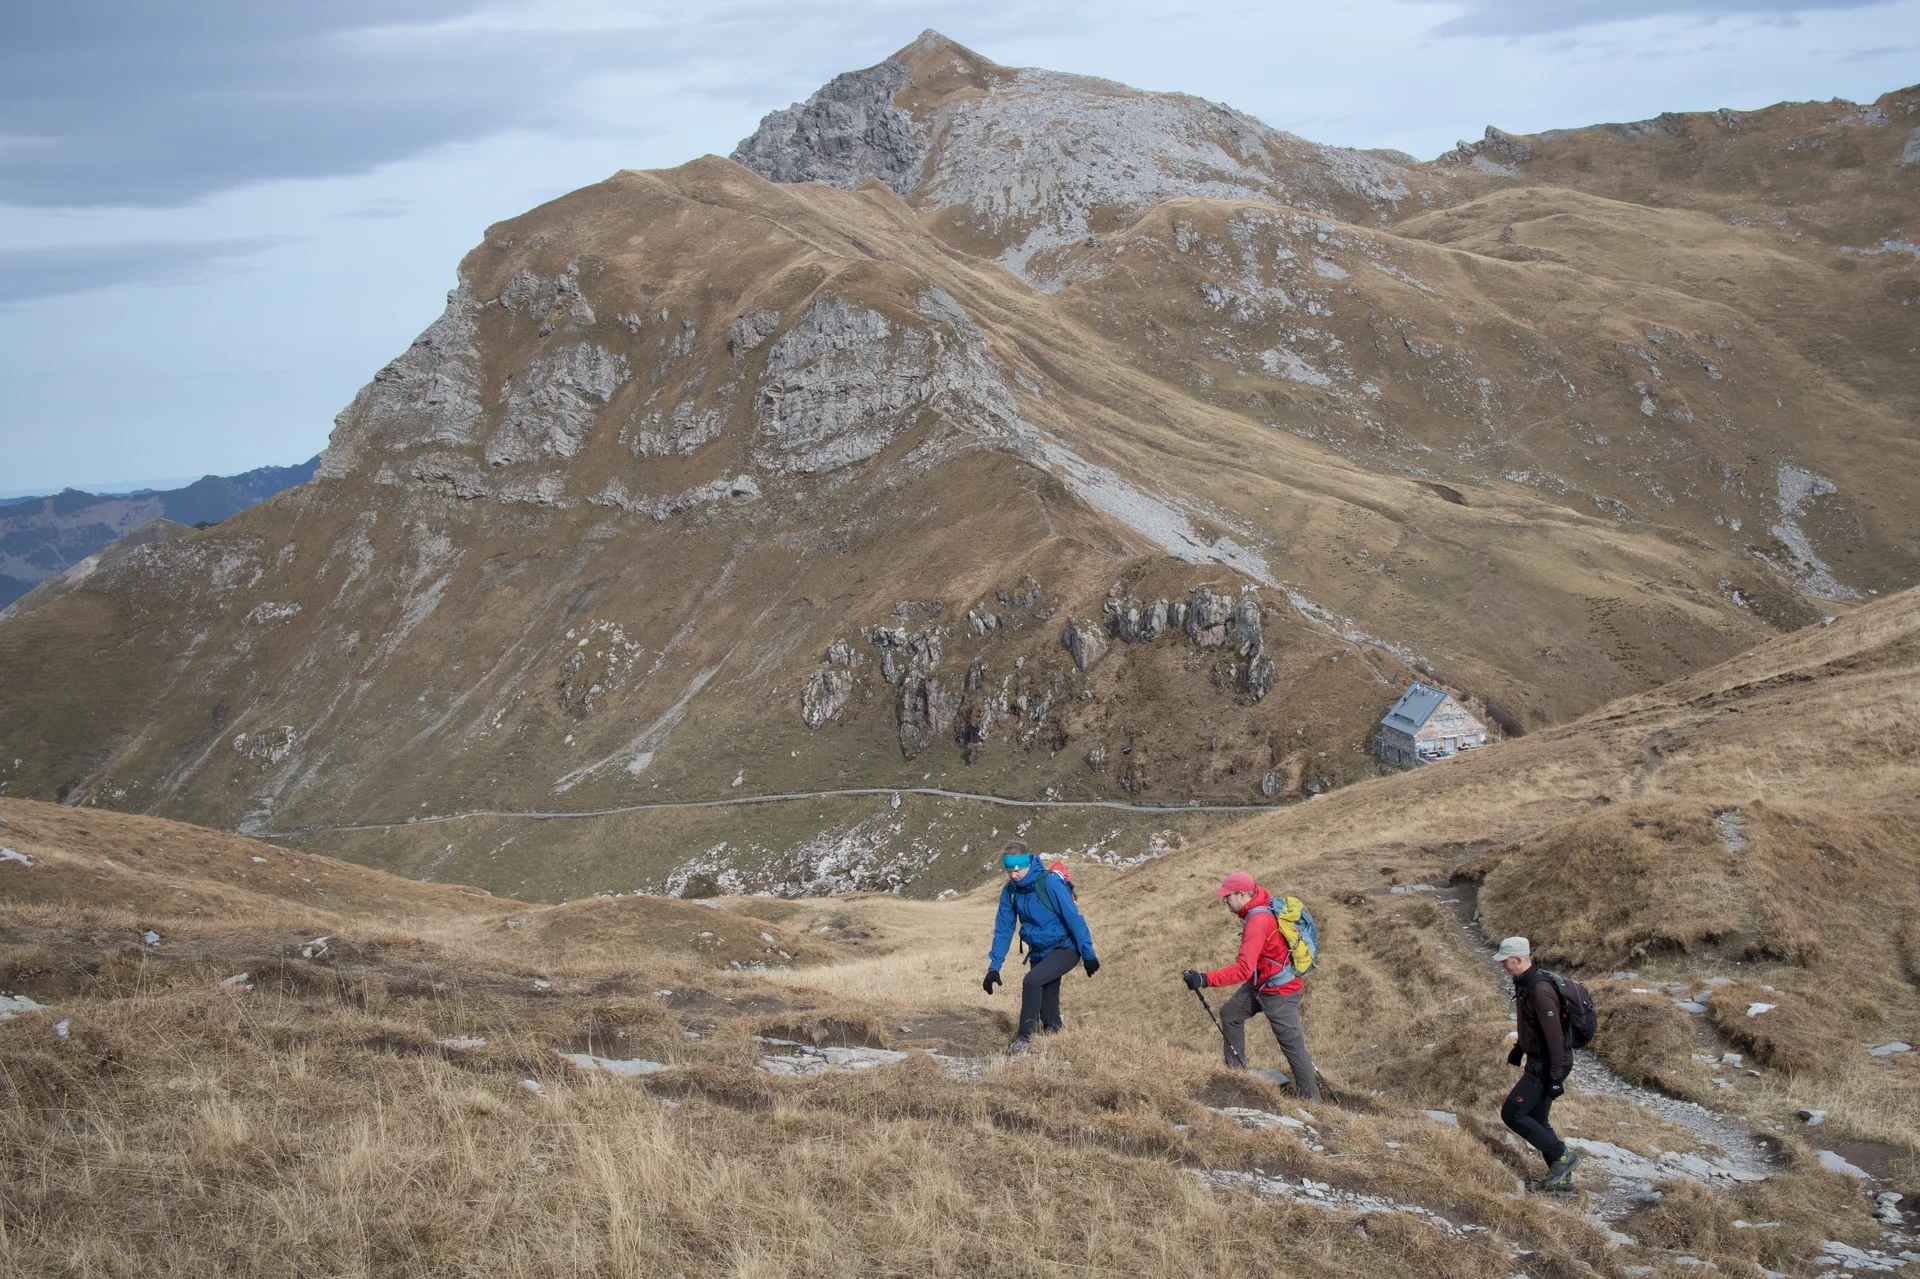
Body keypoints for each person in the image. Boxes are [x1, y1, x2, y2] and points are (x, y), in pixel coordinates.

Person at [1181, 871, 1320, 1100]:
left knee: (1293, 1049)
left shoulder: (1257, 921)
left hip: (1280, 992)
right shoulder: (1261, 906)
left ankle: (1313, 1101)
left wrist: (1204, 979)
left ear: (1243, 894)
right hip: (1262, 984)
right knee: (1230, 1013)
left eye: (1228, 896)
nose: (1224, 900)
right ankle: (1237, 1076)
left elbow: (1243, 969)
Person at [983, 842, 1098, 1054]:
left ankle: (1024, 1038)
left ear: (1027, 864)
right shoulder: (1010, 891)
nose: (1013, 875)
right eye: (1009, 871)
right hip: (1038, 952)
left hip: (1065, 949)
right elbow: (1003, 929)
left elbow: (1074, 919)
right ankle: (1055, 1040)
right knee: (1048, 1009)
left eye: (1017, 870)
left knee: (1032, 981)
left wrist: (1088, 954)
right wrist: (994, 967)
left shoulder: (1050, 883)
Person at [1496, 936, 1581, 1192]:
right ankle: (1562, 1183)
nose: (1502, 966)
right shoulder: (1525, 984)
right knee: (1537, 1118)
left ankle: (1564, 1157)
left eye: (1505, 961)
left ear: (1518, 959)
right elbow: (1532, 1027)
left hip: (1547, 1064)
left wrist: (1555, 1078)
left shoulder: (1539, 989)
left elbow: (1554, 1036)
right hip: (1540, 1060)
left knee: (1512, 1113)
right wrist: (1519, 1049)